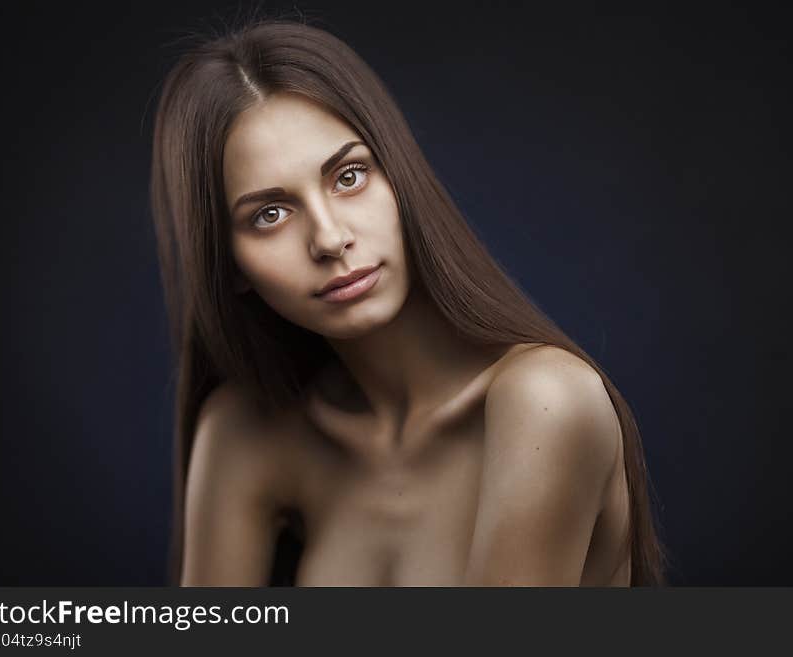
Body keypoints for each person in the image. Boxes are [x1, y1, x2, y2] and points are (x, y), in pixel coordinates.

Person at [149, 15, 669, 586]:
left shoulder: (544, 401)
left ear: (401, 177)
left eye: (349, 176)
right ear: (230, 265)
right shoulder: (248, 430)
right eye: (269, 214)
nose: (329, 238)